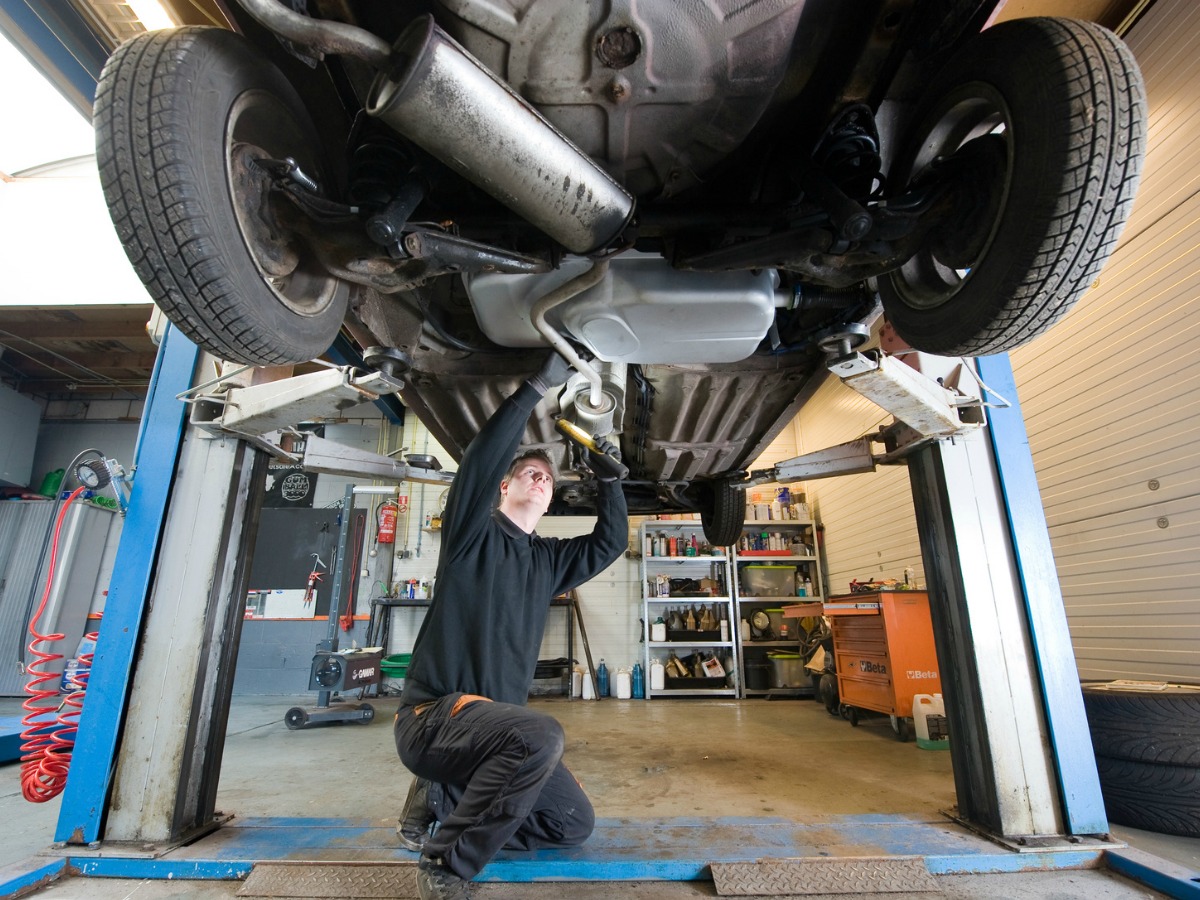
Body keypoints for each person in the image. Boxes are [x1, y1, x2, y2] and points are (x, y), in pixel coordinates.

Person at [392, 352, 628, 900]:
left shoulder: (545, 561)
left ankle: (444, 802)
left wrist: (612, 484)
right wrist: (537, 386)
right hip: (433, 719)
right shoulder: (470, 536)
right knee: (540, 734)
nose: (542, 481)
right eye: (530, 473)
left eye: (548, 477)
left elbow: (608, 544)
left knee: (572, 824)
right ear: (504, 488)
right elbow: (480, 458)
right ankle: (447, 865)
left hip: (493, 737)